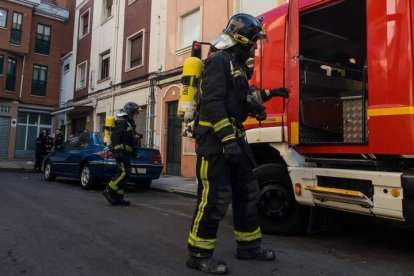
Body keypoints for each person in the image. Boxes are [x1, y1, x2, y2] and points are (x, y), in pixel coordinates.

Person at [186, 14, 288, 274]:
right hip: (215, 142)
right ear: (241, 40)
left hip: (235, 139)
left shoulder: (237, 66)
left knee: (249, 193)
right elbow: (213, 104)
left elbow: (243, 99)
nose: (255, 47)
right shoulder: (217, 61)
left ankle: (249, 246)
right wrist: (228, 140)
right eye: (254, 42)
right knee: (214, 199)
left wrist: (269, 95)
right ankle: (198, 254)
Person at [102, 102, 141, 206]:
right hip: (121, 153)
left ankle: (118, 197)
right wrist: (118, 151)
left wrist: (136, 138)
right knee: (124, 173)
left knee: (123, 174)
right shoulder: (122, 122)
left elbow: (128, 137)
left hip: (126, 153)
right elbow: (115, 137)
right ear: (130, 112)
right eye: (136, 112)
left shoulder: (130, 123)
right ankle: (109, 190)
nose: (137, 115)